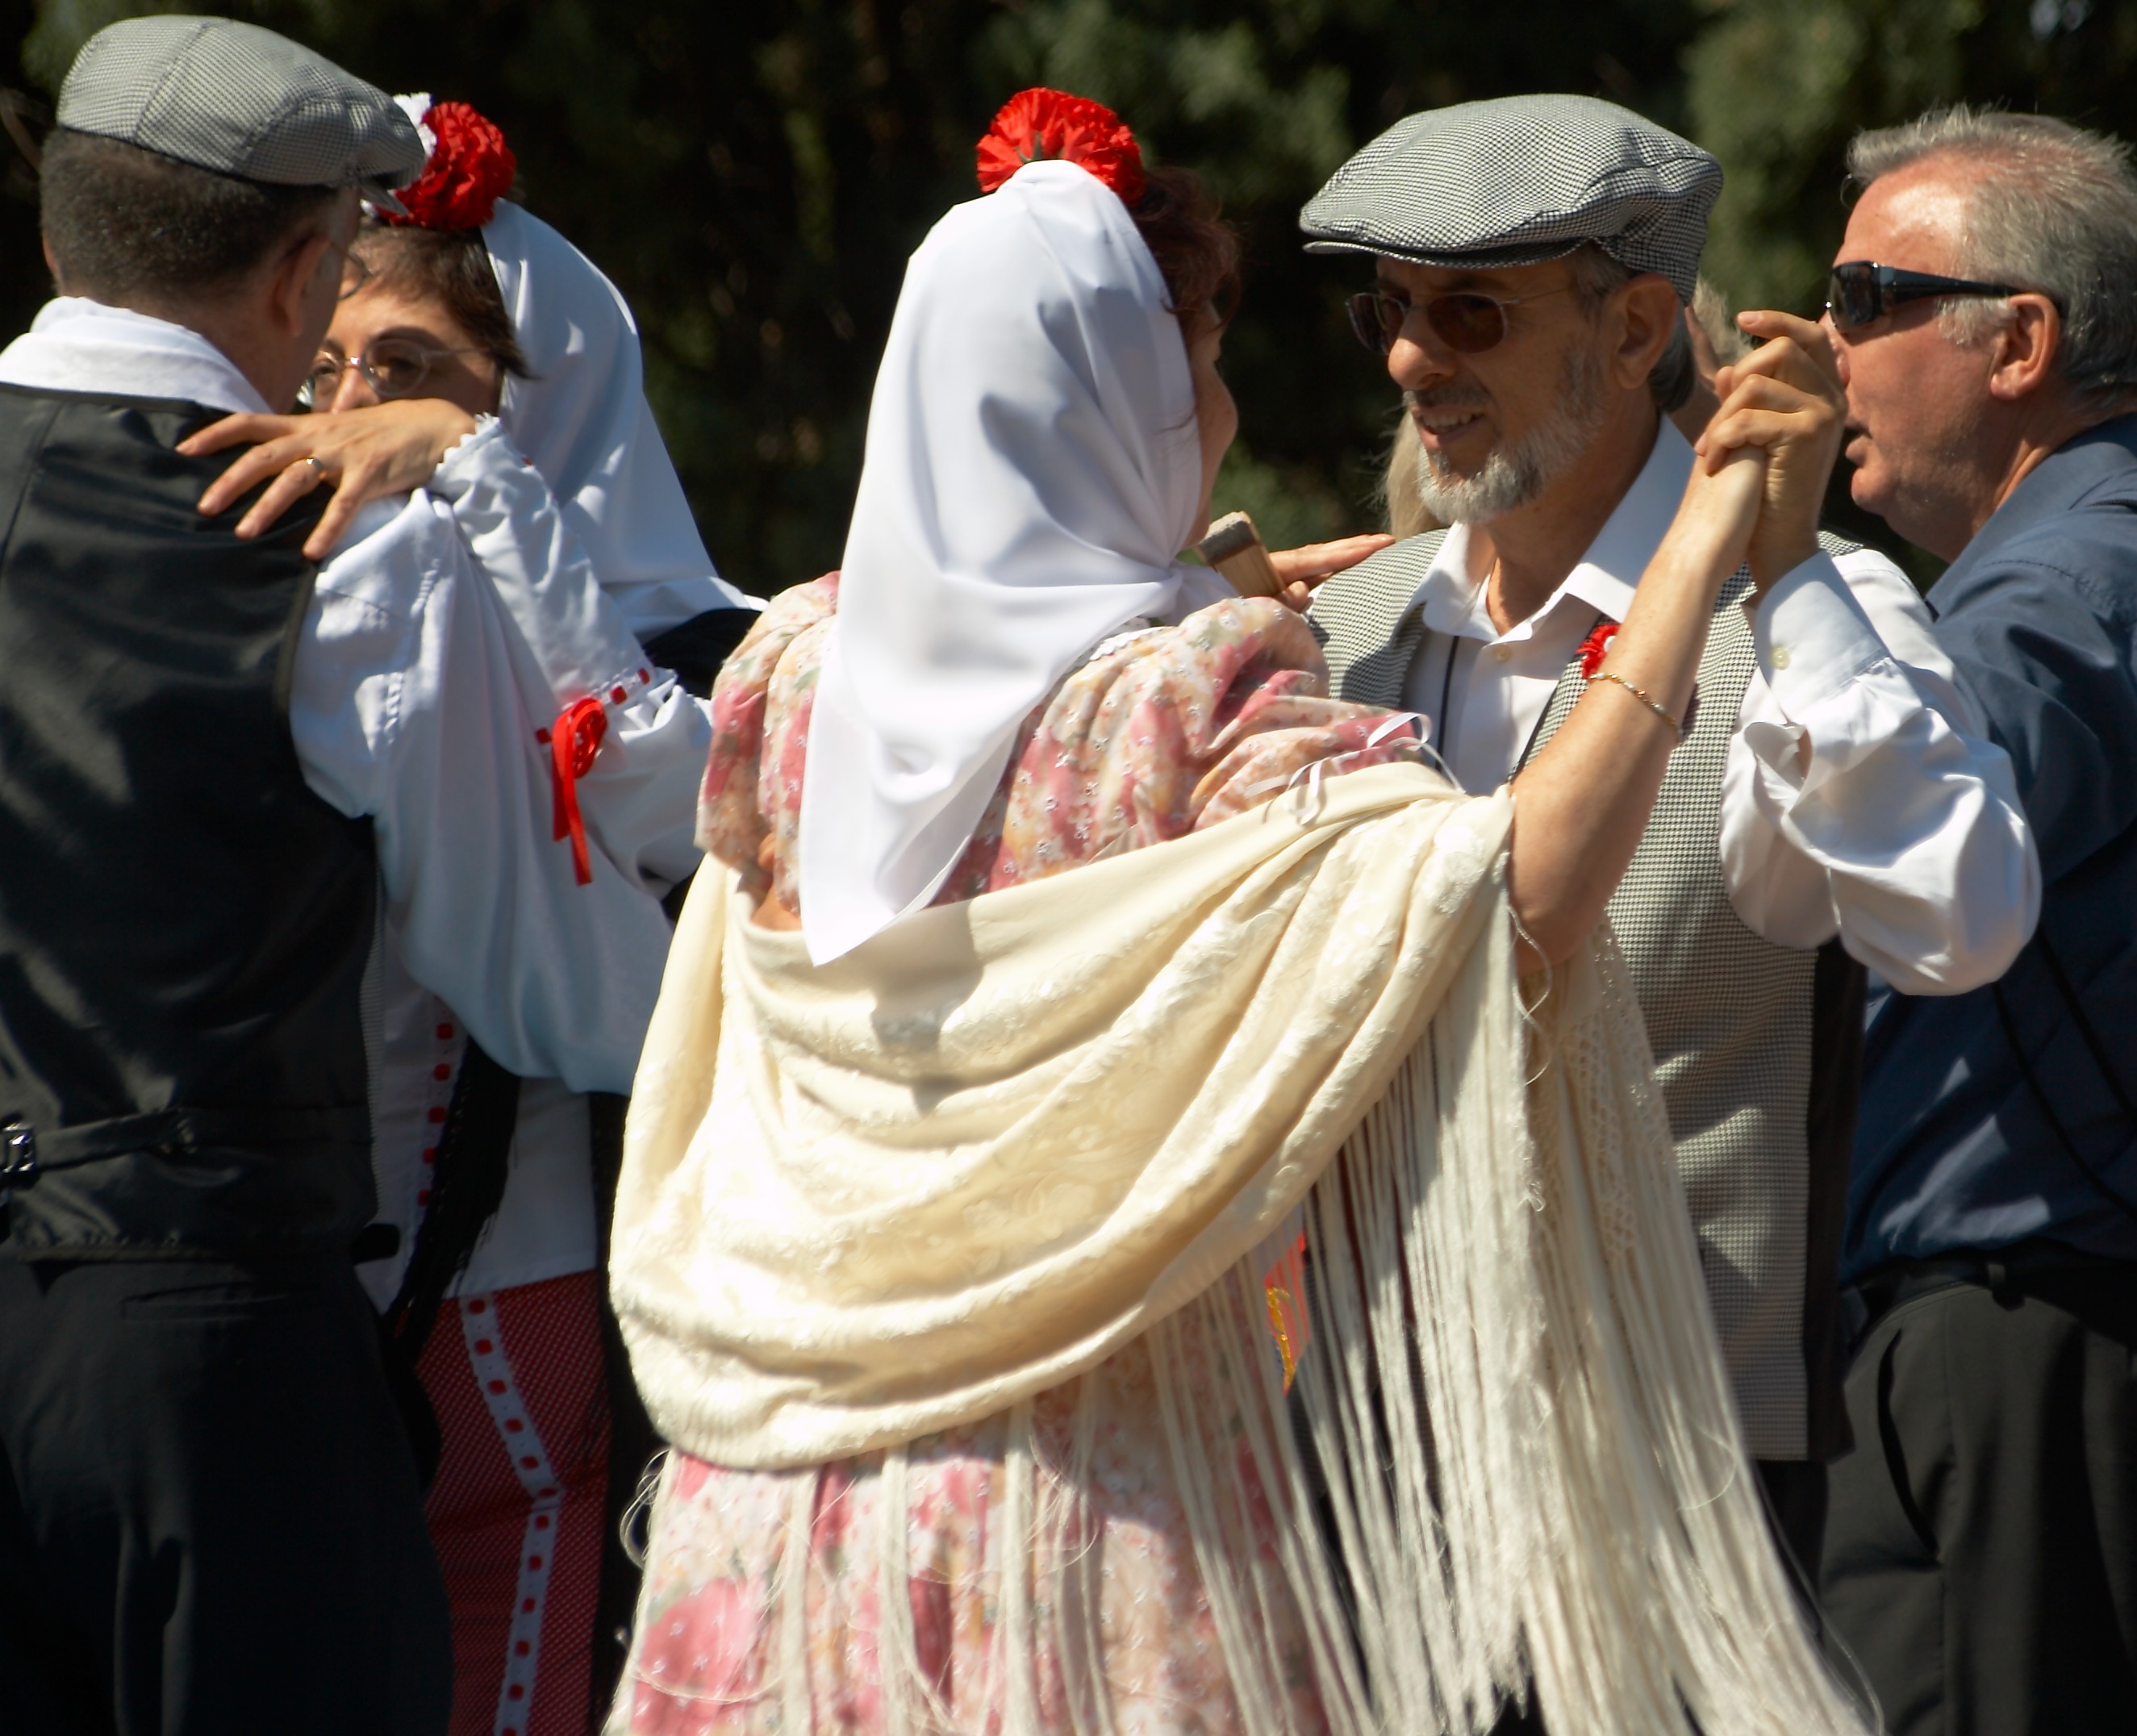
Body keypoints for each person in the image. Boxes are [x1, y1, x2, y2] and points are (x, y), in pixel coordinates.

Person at [603, 90, 1868, 1736]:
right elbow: (1511, 901)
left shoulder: (792, 671)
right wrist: (1700, 547)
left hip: (777, 1499)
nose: (1227, 395)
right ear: (1116, 400)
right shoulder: (1192, 705)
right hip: (1093, 1512)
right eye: (1194, 358)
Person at [1296, 92, 2039, 1596]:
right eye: (1387, 307)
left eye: (1468, 313)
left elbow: (1958, 919)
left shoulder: (1807, 613)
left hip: (1671, 1485)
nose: (1405, 358)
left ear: (1635, 328)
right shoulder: (1337, 634)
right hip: (1358, 1460)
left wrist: (1787, 583)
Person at [180, 96, 747, 1734]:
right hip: (272, 1314)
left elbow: (662, 808)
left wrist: (472, 479)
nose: (345, 418)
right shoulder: (243, 585)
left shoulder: (700, 649)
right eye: (328, 368)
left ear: (541, 411)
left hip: (506, 1295)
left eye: (405, 371)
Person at [1818, 106, 2137, 1733]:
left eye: (1858, 299)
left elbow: (1903, 850)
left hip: (2024, 1358)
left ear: (2017, 339)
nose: (1822, 348)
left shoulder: (2064, 586)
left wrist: (1755, 572)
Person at [0, 19, 445, 1731]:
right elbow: (527, 961)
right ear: (304, 267)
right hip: (204, 1333)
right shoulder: (340, 545)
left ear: (56, 241)